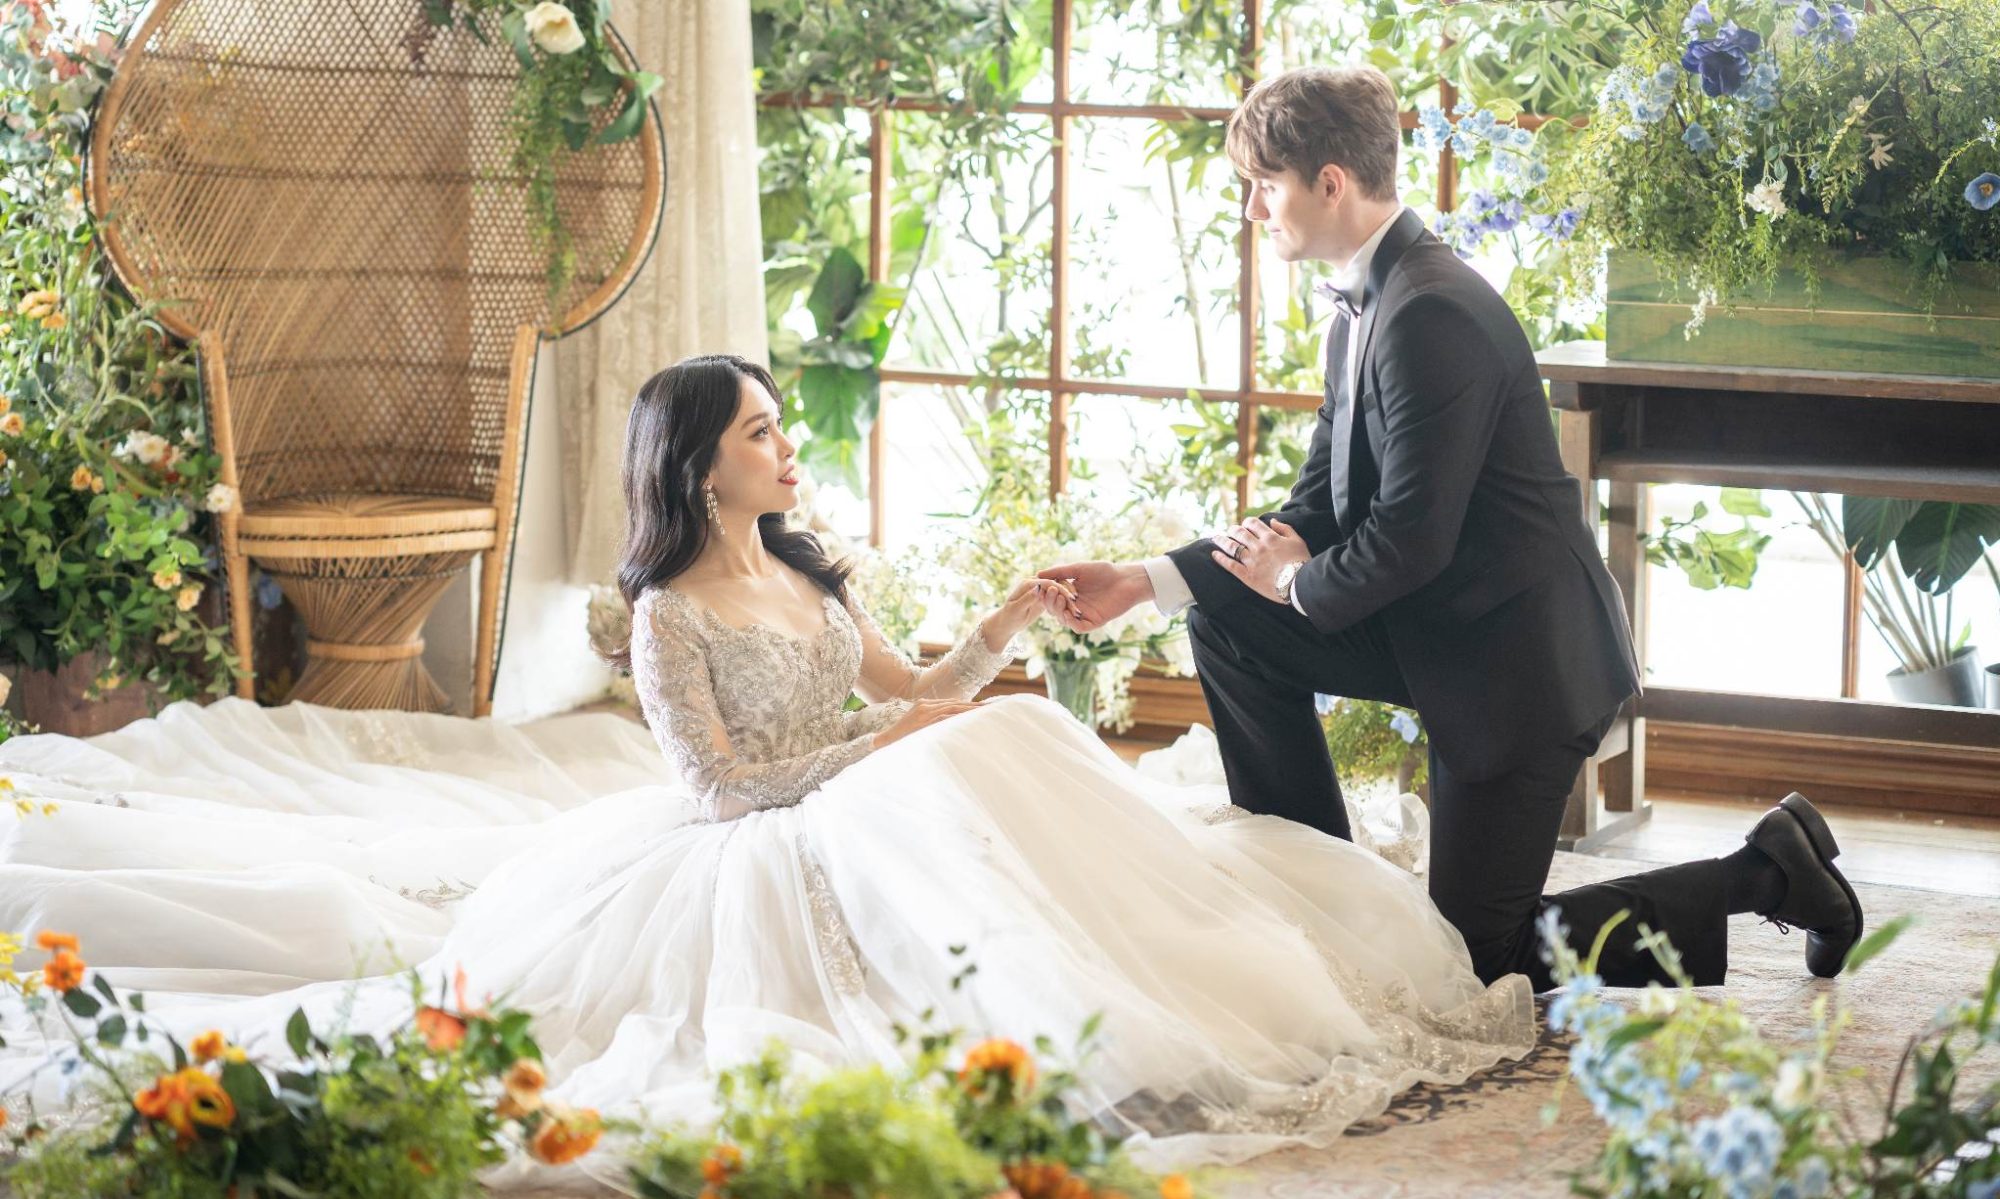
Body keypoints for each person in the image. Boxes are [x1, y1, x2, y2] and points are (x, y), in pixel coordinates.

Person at [0, 353, 1540, 1180]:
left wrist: (1008, 621)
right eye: (759, 431)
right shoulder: (665, 611)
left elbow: (921, 691)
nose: (786, 446)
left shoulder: (809, 571)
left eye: (782, 426)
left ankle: (1144, 972)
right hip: (761, 839)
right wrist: (893, 740)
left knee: (1004, 727)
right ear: (697, 463)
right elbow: (720, 785)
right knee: (942, 769)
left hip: (867, 776)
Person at [1038, 65, 1863, 993]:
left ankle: (1768, 873)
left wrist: (1294, 582)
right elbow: (1317, 507)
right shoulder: (1366, 305)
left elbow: (1408, 539)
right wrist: (1144, 579)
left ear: (1330, 184)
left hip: (1519, 667)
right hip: (1444, 630)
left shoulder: (1428, 312)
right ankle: (1322, 895)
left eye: (1264, 184)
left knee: (1476, 964)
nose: (1251, 208)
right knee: (1228, 620)